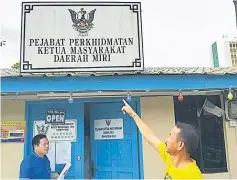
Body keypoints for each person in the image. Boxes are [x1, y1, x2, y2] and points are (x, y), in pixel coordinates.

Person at [121, 100, 203, 179]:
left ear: (180, 145)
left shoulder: (192, 175)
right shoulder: (170, 157)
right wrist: (133, 114)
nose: (166, 140)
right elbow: (149, 136)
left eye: (171, 137)